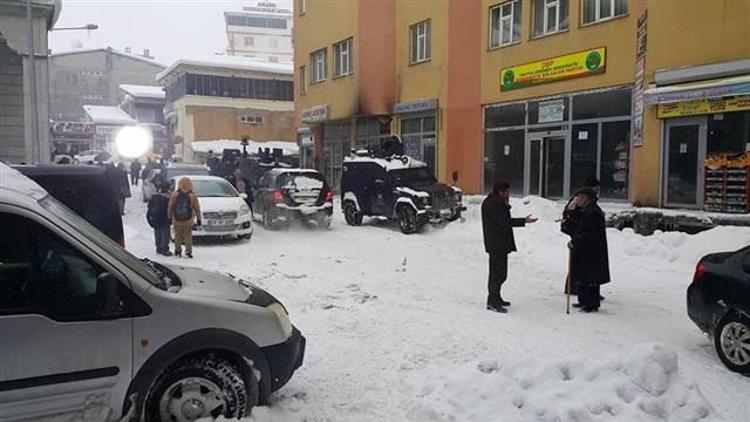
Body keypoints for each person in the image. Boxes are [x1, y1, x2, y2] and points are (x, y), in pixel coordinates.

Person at [481, 182, 537, 313]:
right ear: (501, 192)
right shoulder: (495, 203)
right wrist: (523, 221)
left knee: (499, 272)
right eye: (507, 192)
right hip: (497, 243)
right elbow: (505, 222)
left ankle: (496, 297)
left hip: (496, 243)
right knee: (498, 273)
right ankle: (492, 301)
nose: (509, 195)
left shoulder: (493, 201)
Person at [567, 187, 610, 312]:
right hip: (585, 250)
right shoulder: (585, 210)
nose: (577, 200)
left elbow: (590, 233)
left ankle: (591, 303)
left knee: (591, 277)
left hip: (592, 250)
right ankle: (584, 300)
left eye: (579, 197)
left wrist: (576, 241)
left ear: (586, 198)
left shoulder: (593, 212)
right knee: (584, 275)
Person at [168, 176, 201, 258]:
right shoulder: (192, 195)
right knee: (188, 236)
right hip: (188, 220)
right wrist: (199, 218)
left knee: (177, 235)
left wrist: (169, 218)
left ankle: (177, 250)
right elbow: (197, 208)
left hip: (176, 220)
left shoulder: (174, 194)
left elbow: (170, 207)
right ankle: (188, 251)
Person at [146, 175, 172, 256]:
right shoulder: (167, 198)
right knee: (165, 233)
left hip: (155, 217)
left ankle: (158, 247)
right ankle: (165, 249)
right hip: (164, 218)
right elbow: (170, 209)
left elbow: (149, 206)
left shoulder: (154, 196)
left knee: (157, 232)